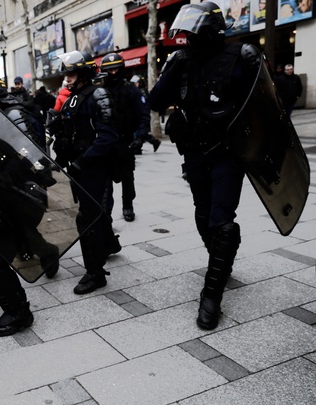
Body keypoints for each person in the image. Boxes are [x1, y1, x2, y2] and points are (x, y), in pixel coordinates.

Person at [148, 1, 263, 330]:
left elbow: (266, 106)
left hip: (229, 152)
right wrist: (172, 67)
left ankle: (211, 295)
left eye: (193, 33)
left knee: (221, 221)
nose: (188, 39)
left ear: (211, 30)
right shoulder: (182, 61)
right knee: (203, 214)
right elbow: (156, 101)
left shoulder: (241, 56)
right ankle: (221, 261)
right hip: (195, 153)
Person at [0, 72, 60, 273]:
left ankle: (46, 252)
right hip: (5, 184)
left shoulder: (14, 116)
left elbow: (27, 158)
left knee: (16, 225)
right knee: (14, 224)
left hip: (22, 185)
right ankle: (44, 251)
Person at [49, 50, 121, 295]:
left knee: (88, 219)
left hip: (94, 168)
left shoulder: (98, 94)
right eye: (66, 74)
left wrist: (83, 161)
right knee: (93, 217)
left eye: (72, 73)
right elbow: (71, 135)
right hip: (78, 168)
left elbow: (108, 136)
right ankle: (108, 246)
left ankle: (95, 274)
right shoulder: (72, 97)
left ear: (85, 72)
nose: (67, 78)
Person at [100, 53, 155, 222]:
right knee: (105, 181)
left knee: (127, 178)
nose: (113, 73)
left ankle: (128, 206)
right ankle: (104, 210)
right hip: (105, 143)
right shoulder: (100, 92)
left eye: (116, 69)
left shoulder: (132, 90)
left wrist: (140, 137)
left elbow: (144, 115)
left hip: (125, 142)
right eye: (109, 70)